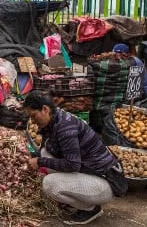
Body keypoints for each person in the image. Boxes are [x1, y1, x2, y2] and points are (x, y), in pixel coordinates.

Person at [24, 90, 122, 225]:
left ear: (45, 109)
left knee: (49, 184)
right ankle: (78, 197)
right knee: (46, 152)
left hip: (105, 183)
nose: (33, 121)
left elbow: (72, 165)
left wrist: (40, 161)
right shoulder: (54, 119)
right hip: (87, 170)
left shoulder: (65, 127)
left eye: (34, 116)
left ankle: (90, 208)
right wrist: (37, 158)